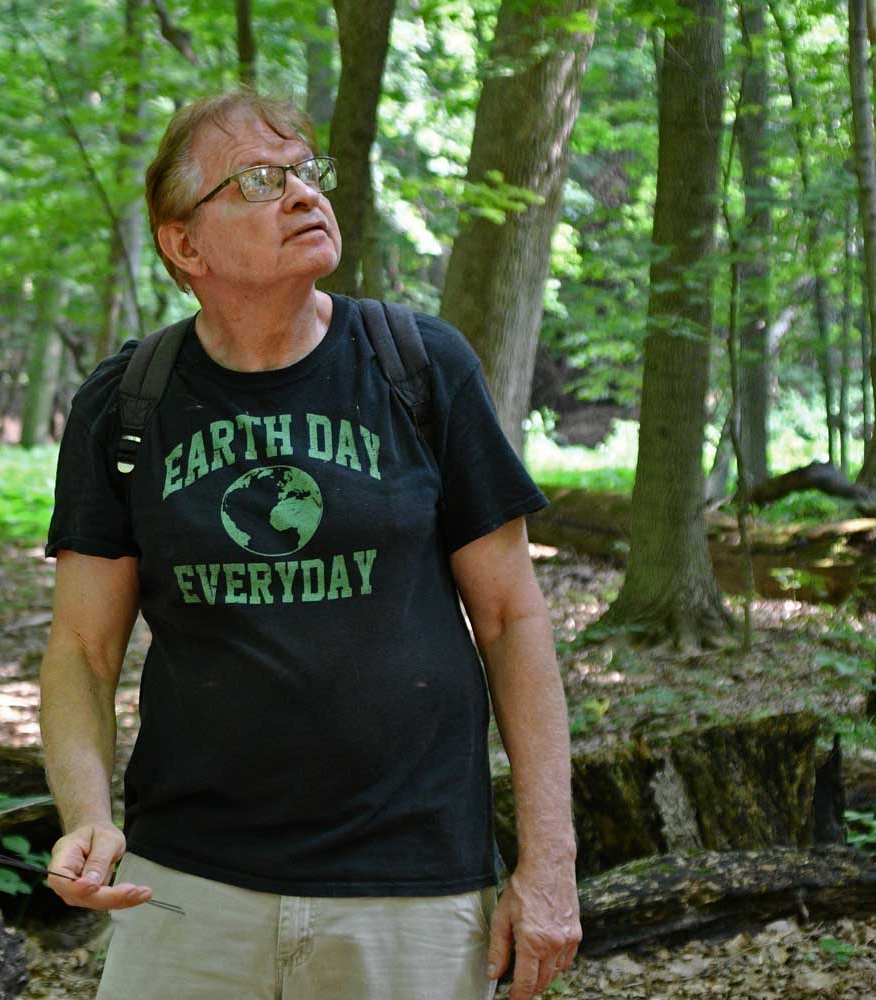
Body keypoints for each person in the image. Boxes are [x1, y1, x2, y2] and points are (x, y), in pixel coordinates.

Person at [39, 88, 580, 1000]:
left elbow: (512, 617)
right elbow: (82, 654)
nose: (300, 195)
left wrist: (550, 861)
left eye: (304, 172)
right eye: (258, 179)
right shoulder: (127, 404)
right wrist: (88, 817)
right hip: (185, 888)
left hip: (411, 887)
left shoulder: (420, 367)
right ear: (184, 244)